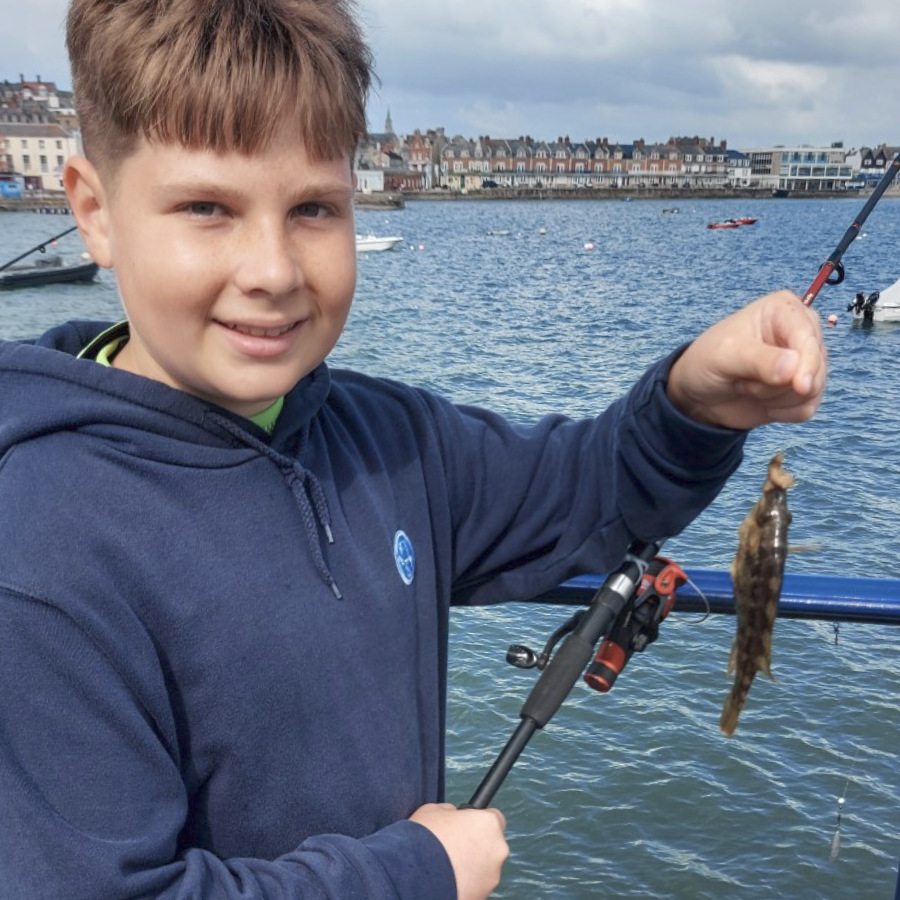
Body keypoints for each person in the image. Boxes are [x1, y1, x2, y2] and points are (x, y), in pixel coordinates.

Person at [0, 1, 825, 898]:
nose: (273, 270)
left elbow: (590, 489)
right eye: (207, 207)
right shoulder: (40, 547)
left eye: (314, 207)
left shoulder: (394, 442)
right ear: (95, 212)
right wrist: (415, 875)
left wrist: (694, 402)